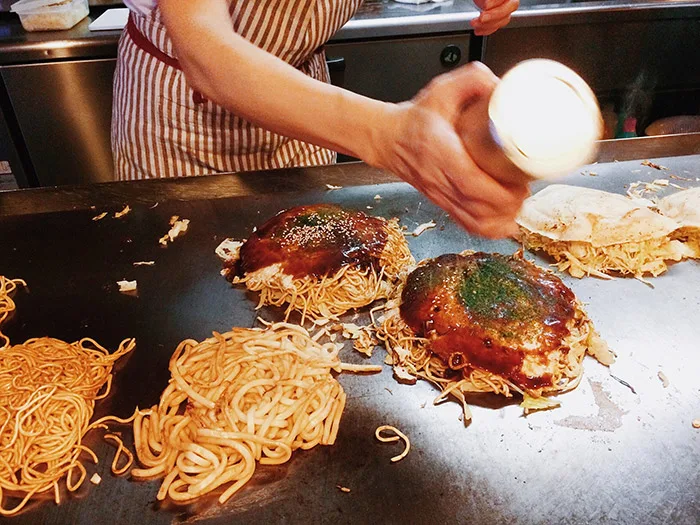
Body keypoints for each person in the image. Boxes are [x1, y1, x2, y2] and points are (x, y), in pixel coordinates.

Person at [113, 0, 524, 238]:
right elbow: (205, 49)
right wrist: (387, 137)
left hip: (305, 98)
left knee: (310, 285)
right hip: (186, 113)